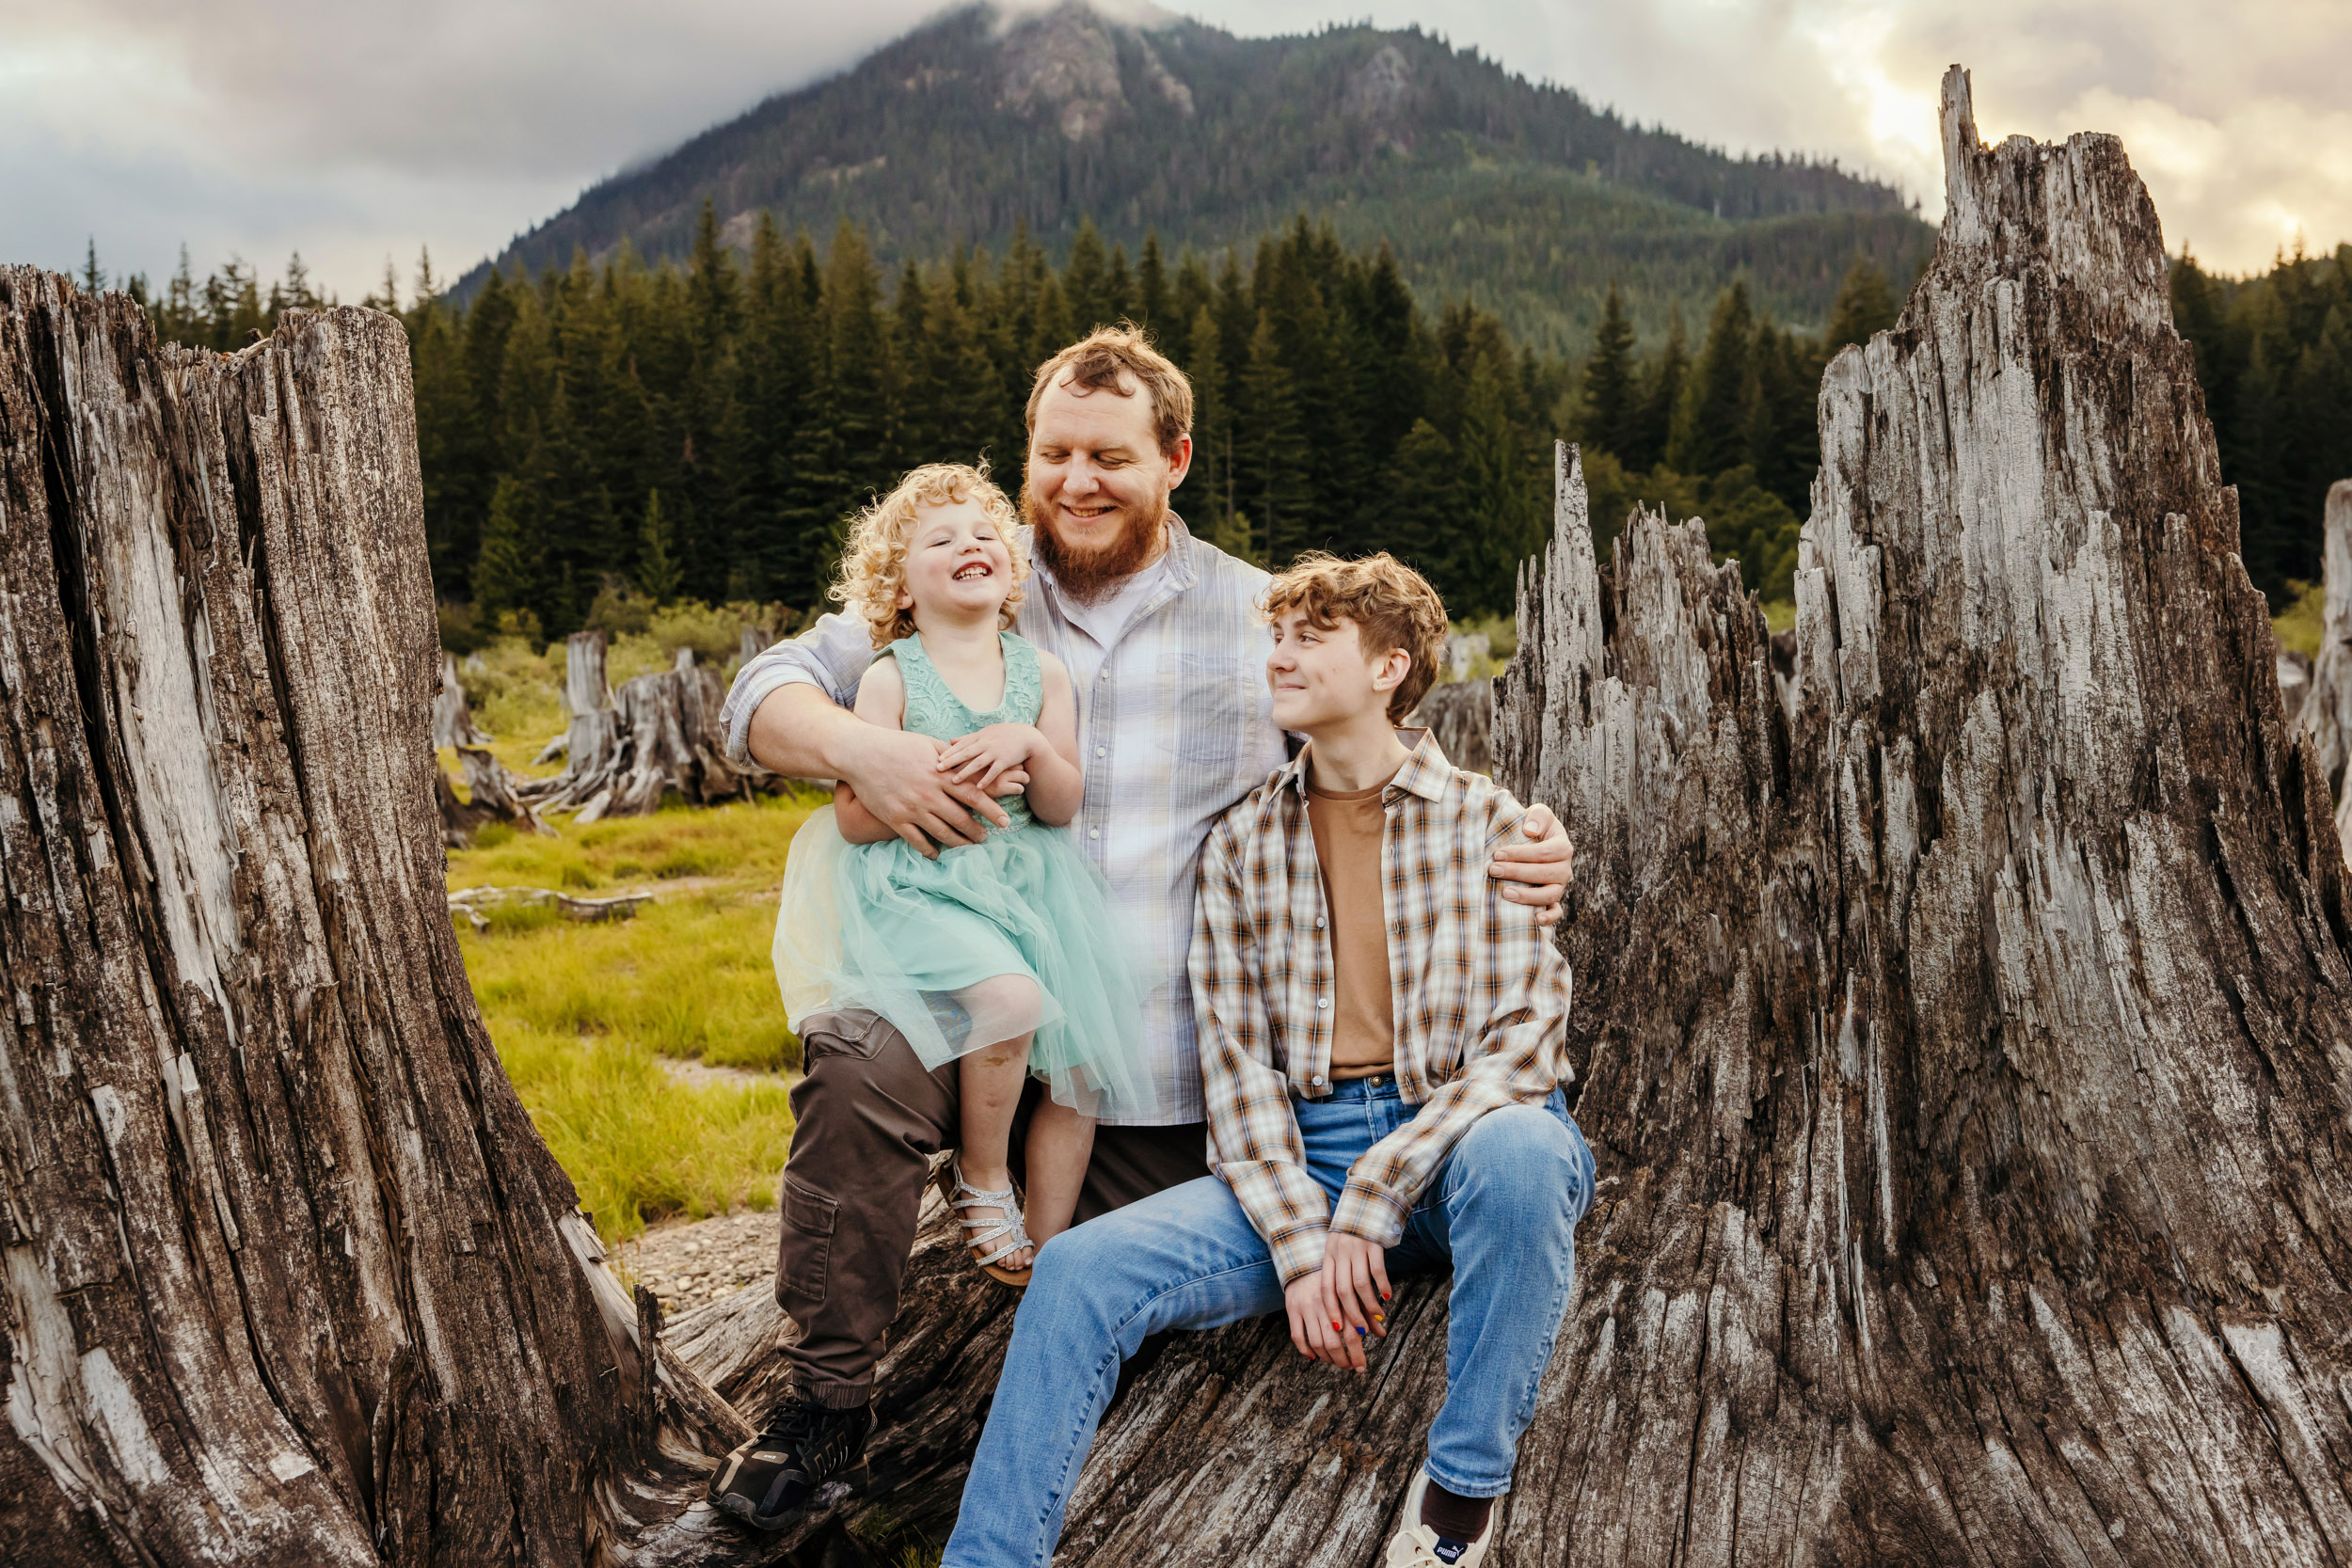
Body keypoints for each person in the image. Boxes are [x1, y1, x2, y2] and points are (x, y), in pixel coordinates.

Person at [707, 326, 1575, 1530]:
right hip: (968, 1004)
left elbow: (1372, 763)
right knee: (856, 1062)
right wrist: (870, 752)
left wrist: (1519, 837)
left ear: (1173, 458)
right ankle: (825, 1405)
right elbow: (761, 694)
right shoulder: (963, 575)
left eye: (1108, 455)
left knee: (1124, 1296)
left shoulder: (1250, 615)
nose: (1075, 480)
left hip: (1169, 1083)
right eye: (1052, 452)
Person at [940, 552, 1594, 1568]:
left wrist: (1373, 1198)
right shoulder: (1243, 839)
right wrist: (1301, 1239)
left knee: (1524, 1155)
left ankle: (1457, 1508)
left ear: (1389, 666)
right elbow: (1237, 1068)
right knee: (1075, 1269)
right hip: (1304, 1153)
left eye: (1310, 637)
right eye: (1274, 636)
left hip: (1460, 1142)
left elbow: (1523, 1041)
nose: (1278, 656)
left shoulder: (1487, 821)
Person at [767, 461, 1155, 1302]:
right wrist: (929, 779)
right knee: (1013, 1002)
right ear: (899, 585)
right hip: (924, 885)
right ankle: (984, 1181)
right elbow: (854, 817)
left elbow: (1061, 803)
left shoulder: (1042, 673)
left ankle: (1049, 1256)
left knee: (1084, 1067)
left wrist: (1029, 745)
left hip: (1035, 891)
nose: (970, 546)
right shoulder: (891, 676)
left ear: (1013, 568)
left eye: (985, 535)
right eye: (940, 540)